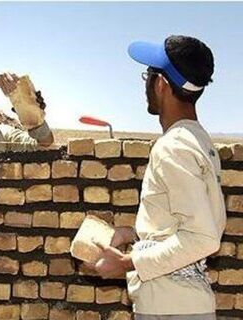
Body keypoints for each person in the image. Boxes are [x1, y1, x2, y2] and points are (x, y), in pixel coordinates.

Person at [90, 35, 226, 319]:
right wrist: (134, 234)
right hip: (182, 306)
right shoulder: (198, 141)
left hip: (171, 310)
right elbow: (184, 224)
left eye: (148, 76)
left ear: (161, 84)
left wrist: (128, 262)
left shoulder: (173, 146)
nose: (146, 84)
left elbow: (203, 238)